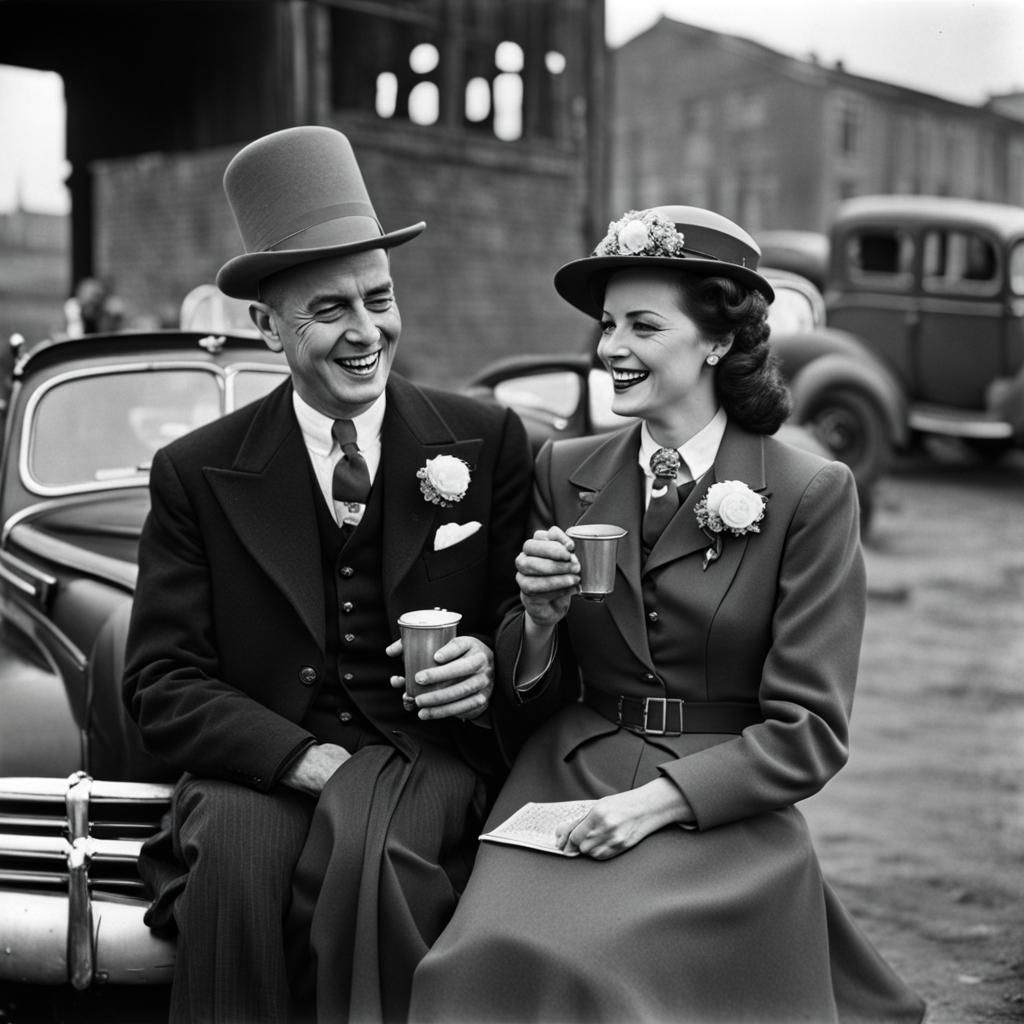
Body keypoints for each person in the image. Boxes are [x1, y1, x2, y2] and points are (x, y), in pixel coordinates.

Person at [410, 206, 926, 1023]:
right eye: (607, 325)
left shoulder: (809, 494)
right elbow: (530, 691)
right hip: (566, 780)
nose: (610, 348)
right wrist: (538, 622)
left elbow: (811, 732)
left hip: (719, 805)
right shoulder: (564, 468)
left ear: (716, 341)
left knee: (603, 967)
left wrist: (653, 805)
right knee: (479, 957)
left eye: (642, 326)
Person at [122, 125, 532, 1024]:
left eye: (378, 299)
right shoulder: (197, 471)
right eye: (328, 310)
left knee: (391, 866)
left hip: (426, 763)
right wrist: (299, 758)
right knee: (230, 859)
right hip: (267, 767)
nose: (365, 333)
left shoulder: (488, 440)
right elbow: (159, 684)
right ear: (266, 327)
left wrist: (491, 669)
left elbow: (527, 624)